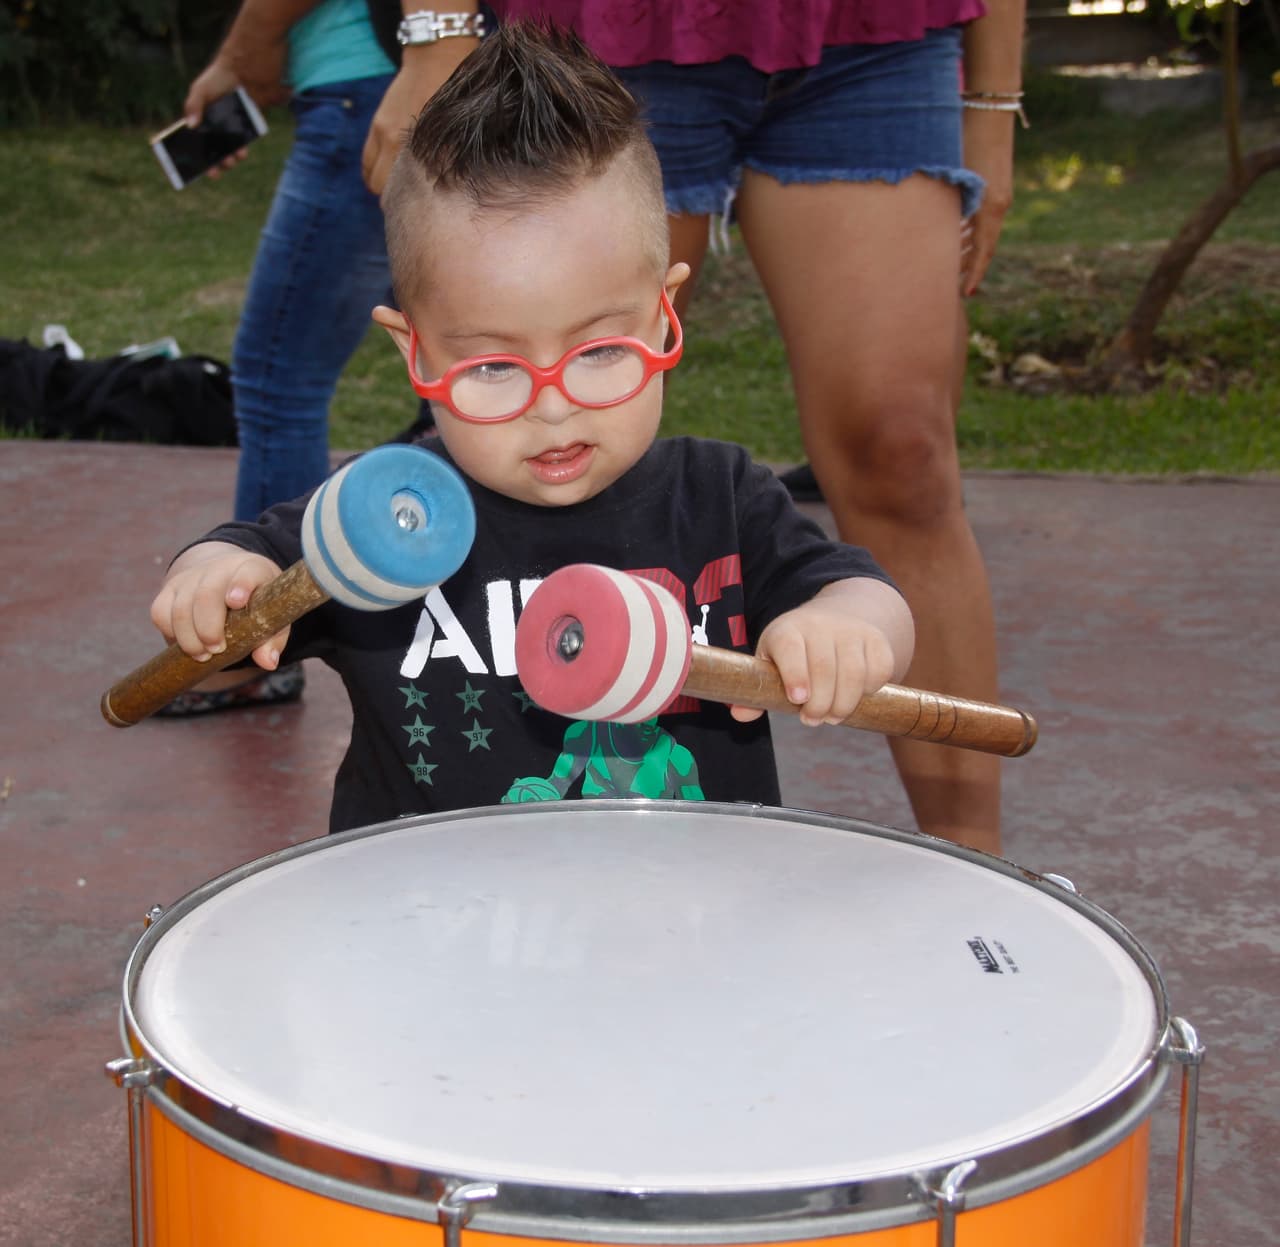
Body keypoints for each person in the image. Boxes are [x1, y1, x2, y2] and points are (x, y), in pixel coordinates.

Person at [146, 23, 915, 834]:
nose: (553, 405)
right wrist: (215, 583)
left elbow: (869, 597)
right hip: (429, 903)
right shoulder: (386, 519)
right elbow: (229, 613)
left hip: (689, 900)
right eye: (492, 367)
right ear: (416, 351)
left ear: (663, 319)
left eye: (600, 352)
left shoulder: (722, 499)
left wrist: (845, 630)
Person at [466, 1, 1024, 856]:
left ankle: (979, 875)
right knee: (562, 423)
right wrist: (433, 32)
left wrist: (991, 104)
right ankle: (516, 843)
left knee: (903, 451)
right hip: (615, 28)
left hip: (870, 31)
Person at [161, 0, 484, 714]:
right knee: (460, 366)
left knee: (279, 378)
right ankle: (478, 617)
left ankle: (257, 646)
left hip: (368, 90)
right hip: (387, 80)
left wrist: (240, 55)